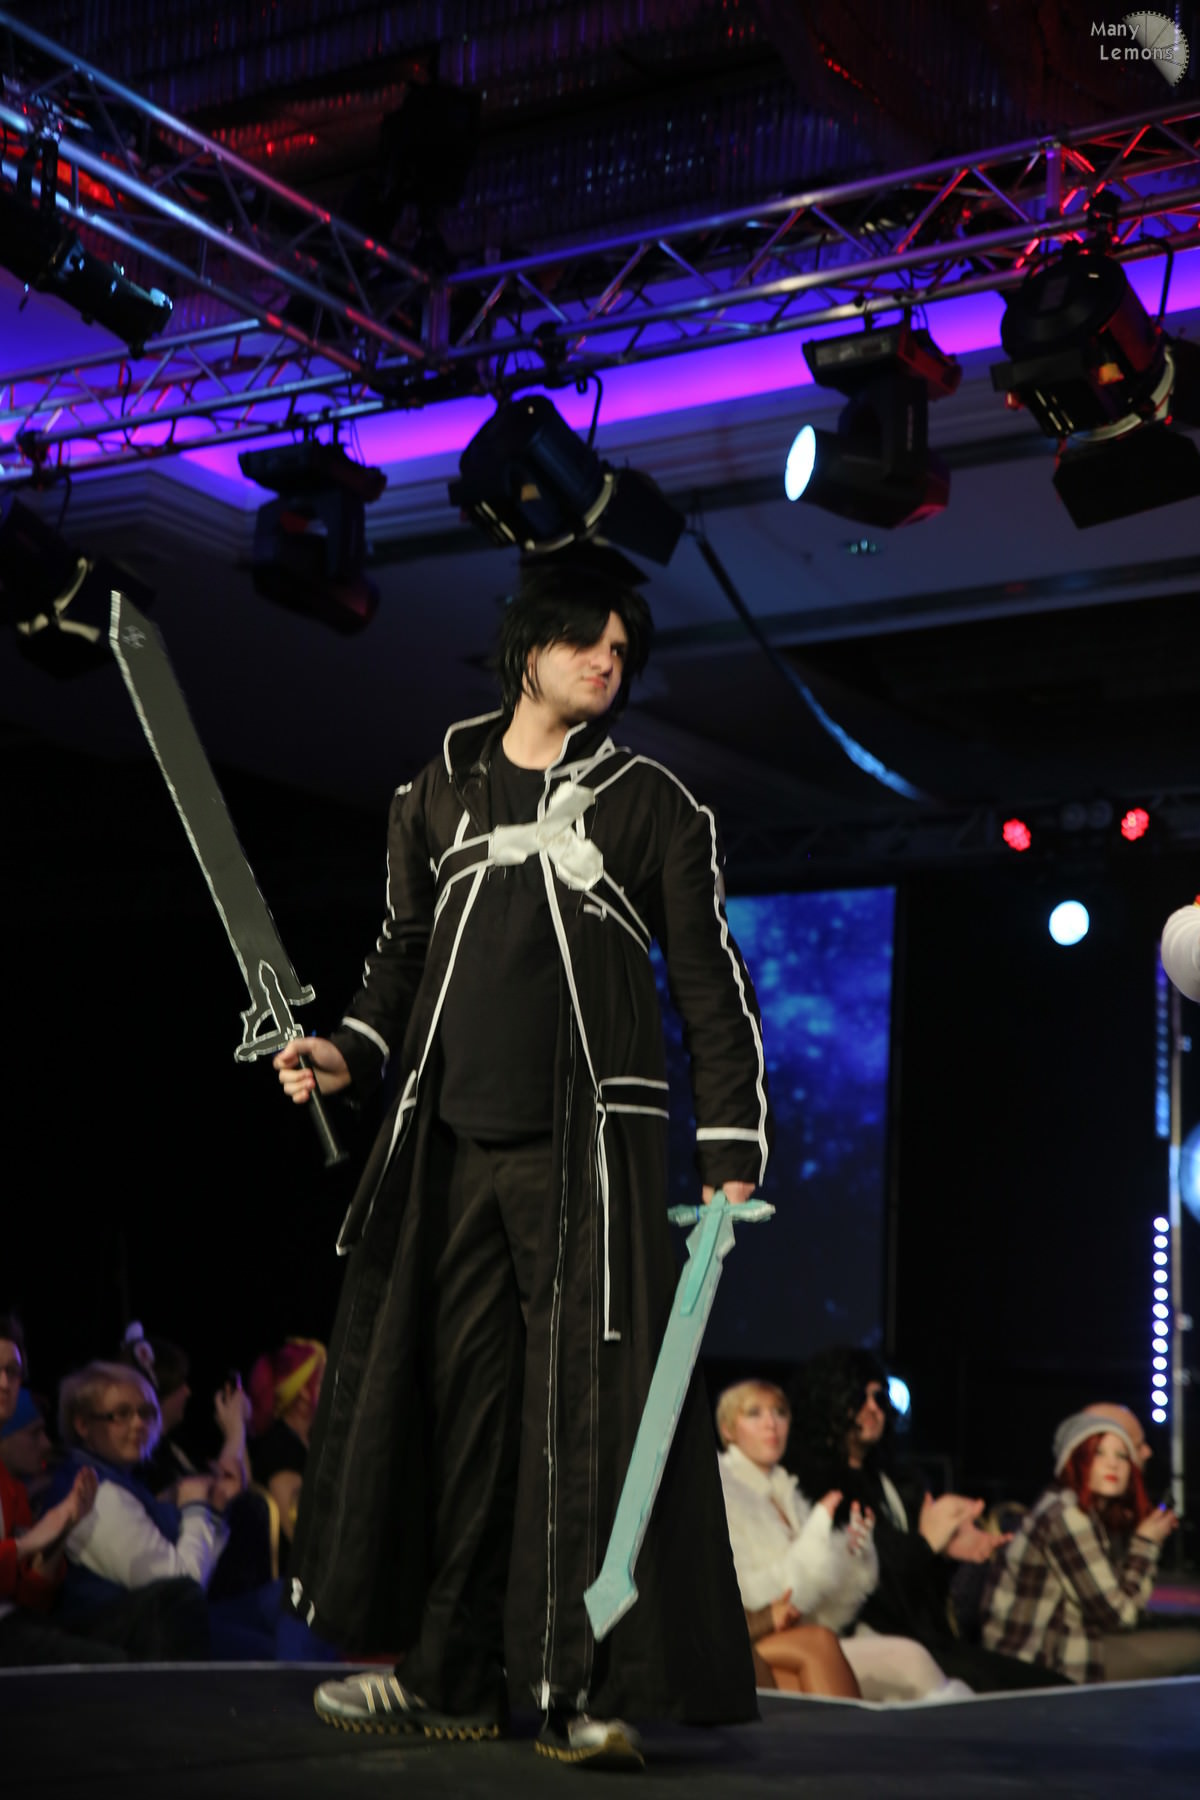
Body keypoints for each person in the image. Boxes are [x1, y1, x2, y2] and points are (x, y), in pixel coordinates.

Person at [273, 545, 771, 1767]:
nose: (608, 662)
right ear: (528, 646)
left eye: (623, 650)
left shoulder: (651, 803)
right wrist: (346, 1051)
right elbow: (400, 957)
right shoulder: (438, 788)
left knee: (581, 1418)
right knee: (463, 1411)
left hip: (582, 1158)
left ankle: (574, 1691)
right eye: (588, 640)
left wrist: (730, 1142)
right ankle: (447, 1675)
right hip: (451, 1152)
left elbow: (707, 979)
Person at [787, 1347, 1061, 1691]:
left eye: (879, 1398)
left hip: (924, 1637)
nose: (873, 1408)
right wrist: (927, 1543)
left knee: (1045, 1685)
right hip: (874, 1643)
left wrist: (948, 1552)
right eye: (858, 1398)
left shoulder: (894, 1480)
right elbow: (871, 1586)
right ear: (829, 1403)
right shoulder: (814, 1488)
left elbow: (918, 1578)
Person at [717, 1380, 967, 1702]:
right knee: (909, 1661)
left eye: (779, 1412)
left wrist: (853, 1556)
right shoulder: (724, 1494)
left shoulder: (787, 1492)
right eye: (754, 1413)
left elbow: (826, 1610)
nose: (771, 1424)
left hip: (808, 1634)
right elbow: (755, 1596)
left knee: (912, 1660)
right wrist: (815, 1536)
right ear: (728, 1429)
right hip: (754, 1639)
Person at [45, 1359, 247, 1659]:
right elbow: (181, 1588)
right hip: (131, 1646)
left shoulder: (124, 1478)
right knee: (272, 1641)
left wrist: (213, 1509)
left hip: (167, 1630)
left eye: (147, 1413)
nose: (139, 1424)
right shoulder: (96, 1494)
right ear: (83, 1425)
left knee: (279, 1603)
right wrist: (197, 1508)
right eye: (121, 1414)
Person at [982, 1412, 1200, 1683]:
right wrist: (1146, 1543)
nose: (1113, 1464)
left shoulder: (1087, 1513)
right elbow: (1121, 1615)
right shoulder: (1066, 1514)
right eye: (1098, 1453)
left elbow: (1124, 1601)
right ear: (1075, 1460)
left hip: (1075, 1647)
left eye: (1122, 1456)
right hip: (1043, 1665)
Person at [0, 1314, 124, 1666]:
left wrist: (62, 1528)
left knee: (160, 1612)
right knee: (112, 1670)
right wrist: (27, 1544)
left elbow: (30, 1600)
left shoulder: (9, 1486)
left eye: (12, 1371)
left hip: (16, 1628)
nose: (4, 1382)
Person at [246, 1338, 325, 1565]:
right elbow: (298, 1532)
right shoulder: (280, 1447)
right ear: (303, 1392)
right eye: (323, 1381)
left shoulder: (311, 1440)